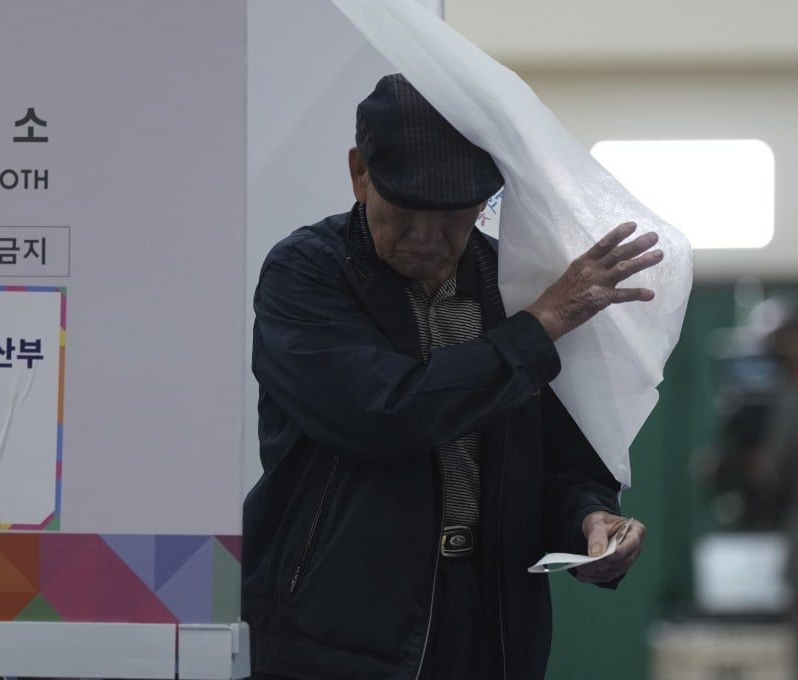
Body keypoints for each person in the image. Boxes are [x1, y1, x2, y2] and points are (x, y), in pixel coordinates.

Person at [242, 74, 657, 680]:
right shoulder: (306, 272)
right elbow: (383, 412)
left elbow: (562, 458)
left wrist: (592, 521)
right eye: (405, 212)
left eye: (455, 216)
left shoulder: (509, 282)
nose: (428, 240)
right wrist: (539, 327)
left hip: (492, 620)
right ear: (360, 174)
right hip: (336, 629)